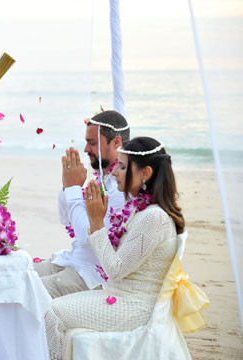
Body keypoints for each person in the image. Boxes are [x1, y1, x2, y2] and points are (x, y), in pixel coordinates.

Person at [45, 137, 185, 359]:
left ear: (145, 173)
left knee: (52, 313)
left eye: (122, 167)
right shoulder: (142, 209)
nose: (115, 172)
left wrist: (96, 222)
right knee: (50, 307)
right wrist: (96, 222)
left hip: (133, 307)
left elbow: (115, 269)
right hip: (116, 295)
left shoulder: (154, 217)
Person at [34, 110, 130, 298]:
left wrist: (73, 189)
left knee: (21, 290)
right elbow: (65, 219)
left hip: (91, 276)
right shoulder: (103, 177)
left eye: (92, 143)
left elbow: (89, 237)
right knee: (15, 274)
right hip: (71, 261)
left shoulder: (123, 188)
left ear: (116, 142)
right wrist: (67, 186)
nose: (86, 149)